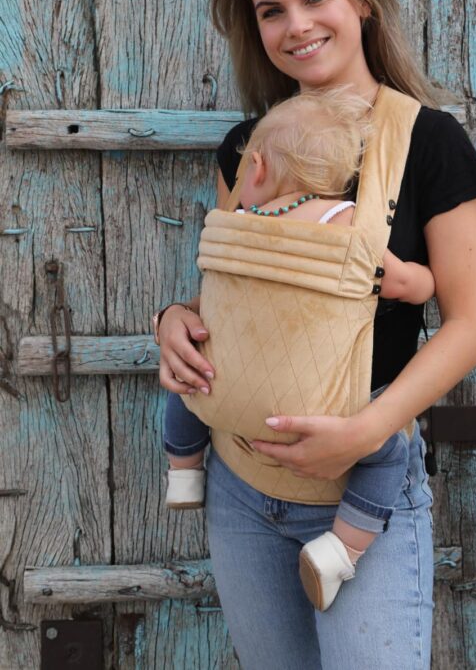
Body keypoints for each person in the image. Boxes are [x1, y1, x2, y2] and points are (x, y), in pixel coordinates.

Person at [156, 0, 476, 669]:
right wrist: (174, 321)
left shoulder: (431, 142)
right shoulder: (250, 148)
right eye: (271, 10)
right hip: (242, 482)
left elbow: (469, 325)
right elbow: (230, 292)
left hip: (364, 488)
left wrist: (366, 429)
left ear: (361, 1)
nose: (296, 25)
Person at [162, 87, 436, 612]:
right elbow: (414, 286)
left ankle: (183, 467)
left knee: (189, 384)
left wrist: (170, 316)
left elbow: (215, 304)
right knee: (389, 454)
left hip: (230, 403)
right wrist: (422, 281)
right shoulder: (348, 228)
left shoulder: (238, 224)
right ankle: (341, 549)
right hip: (321, 414)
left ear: (256, 168)